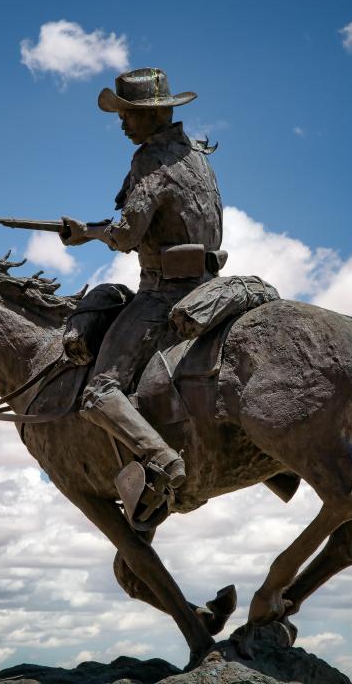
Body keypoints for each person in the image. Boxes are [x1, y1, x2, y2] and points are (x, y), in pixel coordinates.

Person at [60, 67, 223, 501]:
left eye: (129, 114)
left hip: (164, 293)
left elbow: (129, 235)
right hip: (211, 285)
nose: (123, 123)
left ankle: (165, 462)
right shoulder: (196, 153)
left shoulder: (149, 159)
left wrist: (86, 234)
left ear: (155, 114)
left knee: (98, 392)